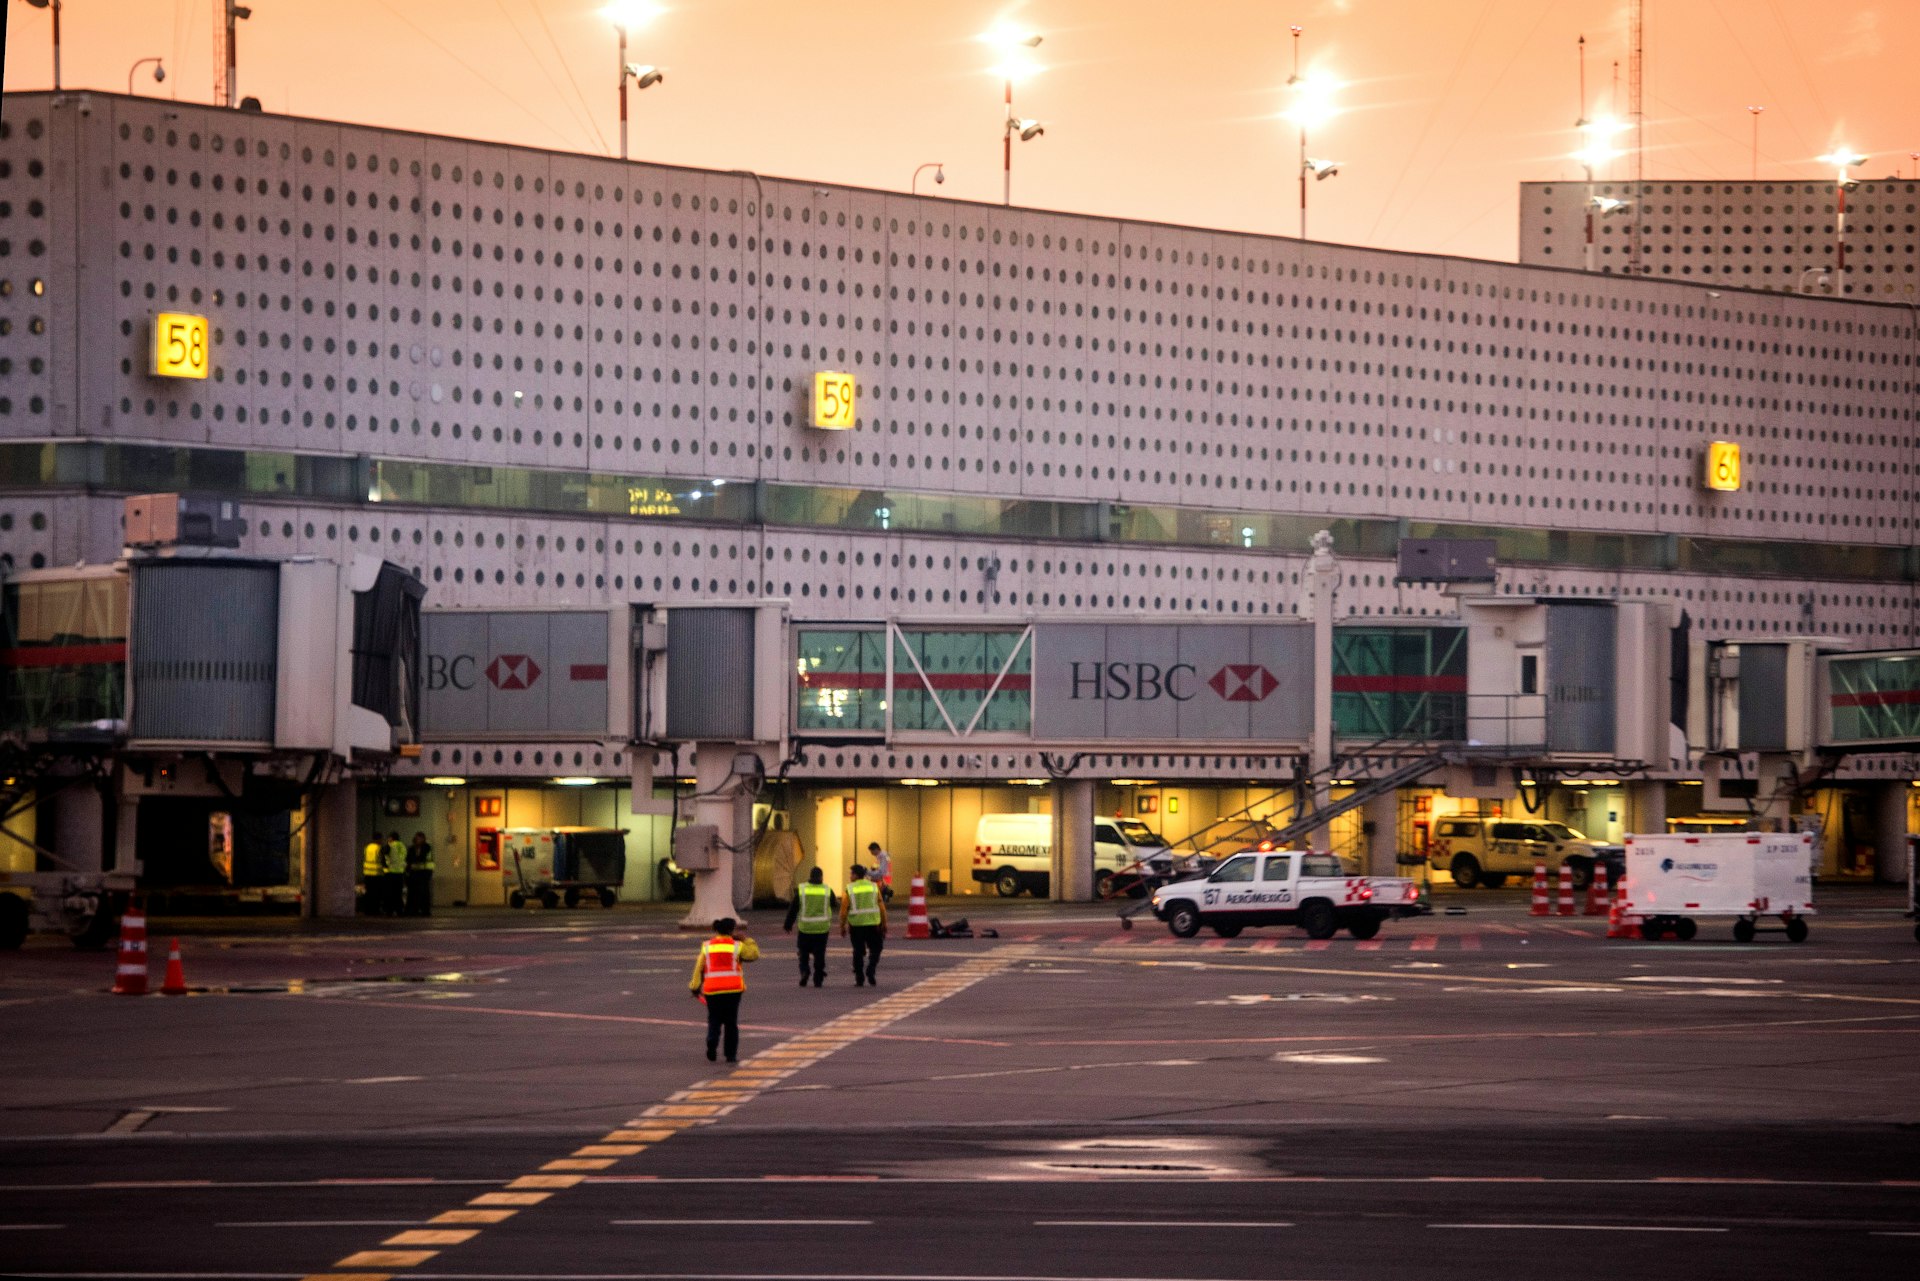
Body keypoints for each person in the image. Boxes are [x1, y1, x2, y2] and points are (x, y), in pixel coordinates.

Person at [688, 918, 758, 1062]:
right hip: (733, 990)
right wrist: (747, 940)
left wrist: (694, 987)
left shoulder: (707, 946)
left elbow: (699, 968)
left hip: (712, 991)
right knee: (731, 1023)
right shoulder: (737, 946)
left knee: (714, 1020)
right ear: (731, 930)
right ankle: (730, 1055)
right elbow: (753, 954)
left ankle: (711, 1042)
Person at [782, 868, 837, 987]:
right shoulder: (827, 890)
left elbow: (793, 908)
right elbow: (834, 904)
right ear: (821, 877)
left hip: (805, 928)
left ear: (810, 876)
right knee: (820, 954)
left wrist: (788, 924)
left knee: (803, 953)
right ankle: (818, 978)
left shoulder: (802, 889)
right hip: (822, 928)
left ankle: (804, 971)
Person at [839, 864, 887, 987]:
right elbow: (881, 907)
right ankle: (871, 970)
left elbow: (844, 910)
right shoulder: (873, 887)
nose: (850, 876)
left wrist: (842, 926)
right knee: (876, 949)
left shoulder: (849, 889)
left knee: (858, 951)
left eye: (851, 874)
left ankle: (859, 977)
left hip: (856, 925)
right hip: (873, 924)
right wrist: (884, 923)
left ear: (855, 875)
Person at [405, 831, 435, 917]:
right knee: (413, 893)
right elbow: (409, 860)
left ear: (423, 839)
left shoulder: (426, 847)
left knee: (424, 893)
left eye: (419, 838)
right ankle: (413, 910)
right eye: (417, 838)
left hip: (424, 873)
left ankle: (425, 910)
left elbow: (421, 858)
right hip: (414, 873)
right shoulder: (412, 848)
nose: (417, 840)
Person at [384, 830, 409, 917]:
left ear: (391, 838)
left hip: (391, 872)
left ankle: (389, 911)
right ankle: (399, 910)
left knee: (390, 893)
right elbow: (404, 857)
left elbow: (386, 856)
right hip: (400, 872)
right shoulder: (402, 845)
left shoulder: (390, 845)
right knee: (398, 893)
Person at [361, 837, 387, 915]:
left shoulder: (367, 847)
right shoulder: (379, 848)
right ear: (378, 839)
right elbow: (383, 860)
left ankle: (367, 910)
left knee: (369, 893)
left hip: (367, 873)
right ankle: (375, 910)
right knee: (376, 894)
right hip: (377, 874)